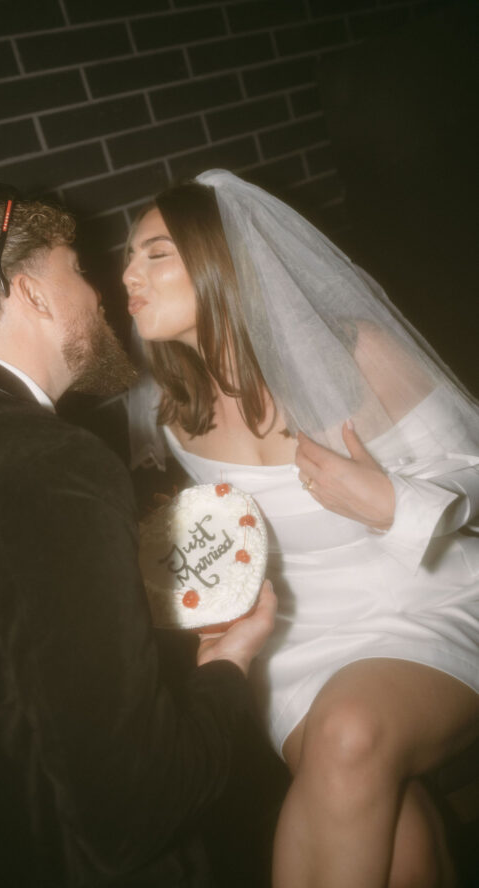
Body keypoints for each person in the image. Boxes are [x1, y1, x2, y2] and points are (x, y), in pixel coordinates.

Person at [0, 190, 277, 888]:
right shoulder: (48, 461)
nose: (100, 295)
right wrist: (230, 660)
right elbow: (137, 803)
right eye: (79, 270)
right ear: (34, 294)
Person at [122, 169, 479, 888]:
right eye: (127, 258)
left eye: (155, 254)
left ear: (224, 260)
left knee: (349, 737)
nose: (128, 274)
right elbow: (211, 534)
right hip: (293, 646)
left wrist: (391, 503)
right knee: (400, 848)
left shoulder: (356, 357)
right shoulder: (161, 406)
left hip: (430, 600)